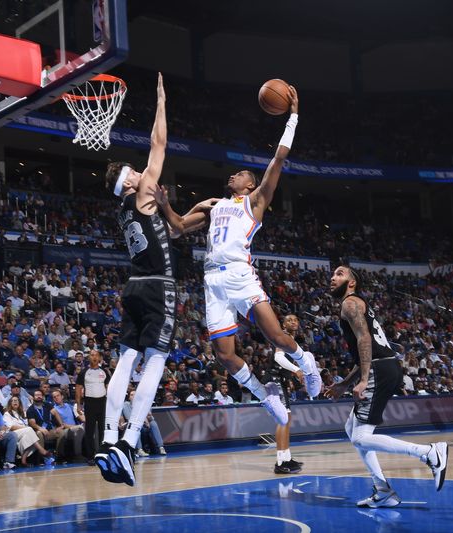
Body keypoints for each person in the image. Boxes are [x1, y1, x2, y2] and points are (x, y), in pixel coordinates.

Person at [154, 86, 321, 428]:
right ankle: (265, 395)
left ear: (249, 185)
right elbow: (178, 228)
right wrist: (164, 203)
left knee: (275, 336)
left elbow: (278, 159)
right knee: (225, 356)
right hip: (212, 280)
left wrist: (293, 116)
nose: (234, 174)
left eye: (241, 173)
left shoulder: (254, 202)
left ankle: (306, 363)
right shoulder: (212, 205)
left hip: (239, 274)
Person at [95, 73, 215, 487]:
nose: (138, 169)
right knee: (156, 362)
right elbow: (159, 144)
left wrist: (189, 210)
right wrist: (162, 101)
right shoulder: (142, 188)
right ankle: (129, 443)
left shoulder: (125, 210)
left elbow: (176, 229)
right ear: (128, 179)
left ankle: (109, 438)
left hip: (132, 286)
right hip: (157, 286)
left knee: (125, 361)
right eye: (132, 169)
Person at [325, 265, 448, 508]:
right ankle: (383, 491)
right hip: (383, 366)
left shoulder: (350, 303)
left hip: (379, 370)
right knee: (352, 429)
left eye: (340, 274)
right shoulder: (356, 304)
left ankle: (429, 453)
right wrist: (345, 383)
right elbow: (366, 349)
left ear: (351, 283)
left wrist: (362, 380)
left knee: (360, 437)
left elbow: (365, 340)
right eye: (333, 273)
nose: (332, 277)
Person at [269, 314, 306, 475]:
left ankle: (287, 457)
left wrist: (290, 379)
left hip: (281, 380)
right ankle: (280, 462)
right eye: (289, 320)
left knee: (287, 419)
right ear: (283, 325)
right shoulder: (283, 336)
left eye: (295, 319)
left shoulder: (291, 338)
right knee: (283, 419)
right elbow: (277, 357)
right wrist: (296, 369)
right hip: (274, 378)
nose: (293, 321)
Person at [76, 350, 108, 465]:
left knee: (102, 429)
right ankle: (90, 456)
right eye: (92, 355)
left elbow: (108, 387)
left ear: (99, 357)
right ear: (89, 357)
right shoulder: (84, 372)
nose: (94, 357)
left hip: (102, 402)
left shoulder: (104, 371)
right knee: (89, 430)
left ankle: (102, 454)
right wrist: (79, 404)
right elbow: (78, 388)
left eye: (96, 355)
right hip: (89, 403)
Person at [3, 396, 54, 467]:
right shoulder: (7, 414)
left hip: (24, 434)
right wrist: (25, 428)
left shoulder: (23, 413)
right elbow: (11, 427)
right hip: (13, 434)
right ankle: (42, 451)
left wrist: (27, 429)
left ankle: (23, 460)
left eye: (17, 400)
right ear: (10, 403)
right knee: (30, 430)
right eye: (13, 401)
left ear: (19, 403)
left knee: (29, 437)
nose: (15, 402)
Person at [50, 388, 85, 463]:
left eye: (58, 396)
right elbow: (62, 425)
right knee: (79, 428)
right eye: (54, 397)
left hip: (75, 427)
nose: (56, 398)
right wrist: (73, 427)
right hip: (66, 429)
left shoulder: (69, 406)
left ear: (62, 396)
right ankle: (77, 455)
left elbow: (79, 414)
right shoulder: (54, 410)